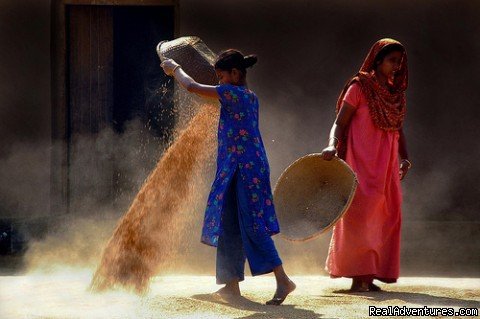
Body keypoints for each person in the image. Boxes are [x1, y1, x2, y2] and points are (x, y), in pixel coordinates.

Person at [160, 49, 295, 305]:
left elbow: (191, 87)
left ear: (235, 74)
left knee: (252, 223)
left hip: (245, 167)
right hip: (237, 165)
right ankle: (231, 284)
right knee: (229, 221)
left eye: (221, 76)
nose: (219, 81)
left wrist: (174, 69)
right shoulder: (249, 96)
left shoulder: (232, 93)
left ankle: (283, 280)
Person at [321, 38, 411, 292]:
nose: (397, 66)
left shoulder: (395, 94)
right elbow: (340, 122)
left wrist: (404, 157)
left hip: (387, 168)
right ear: (378, 60)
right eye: (392, 60)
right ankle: (357, 276)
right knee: (361, 216)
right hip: (361, 164)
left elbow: (398, 128)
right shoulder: (359, 87)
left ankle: (369, 276)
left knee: (387, 217)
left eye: (400, 62)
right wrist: (332, 144)